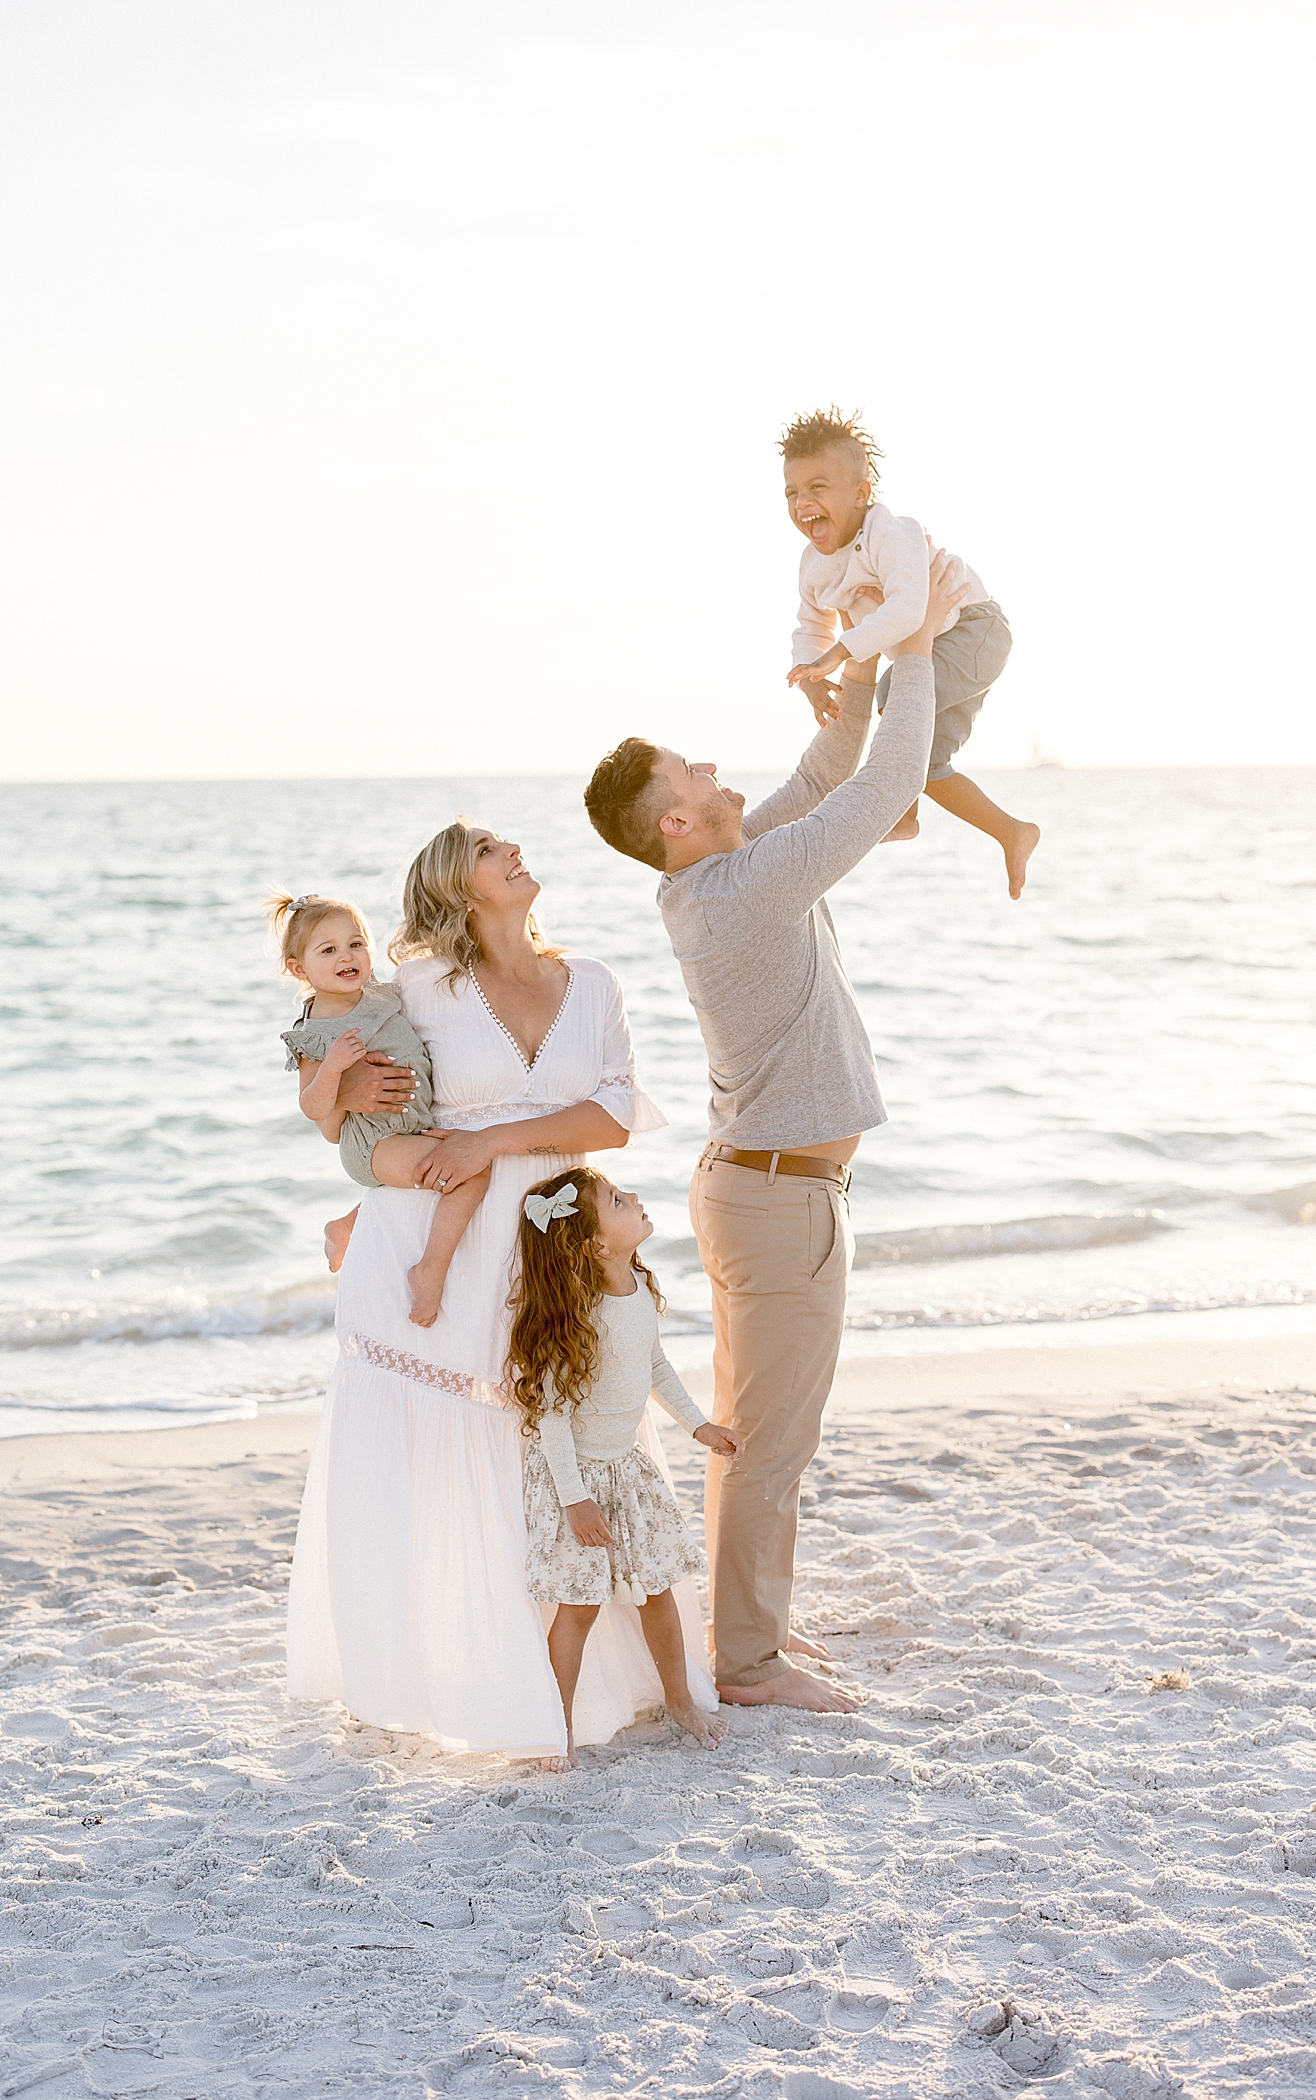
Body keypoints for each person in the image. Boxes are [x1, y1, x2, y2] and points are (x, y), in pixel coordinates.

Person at [583, 553, 967, 1713]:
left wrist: (853, 662)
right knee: (772, 1445)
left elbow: (825, 765)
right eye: (688, 769)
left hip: (766, 1189)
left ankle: (749, 1640)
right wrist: (914, 643)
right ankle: (748, 1664)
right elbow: (885, 776)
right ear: (679, 821)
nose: (711, 763)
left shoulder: (721, 873)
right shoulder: (742, 886)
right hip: (778, 1197)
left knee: (755, 1438)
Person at [285, 819, 708, 1760]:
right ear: (456, 885)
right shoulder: (422, 987)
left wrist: (492, 1141)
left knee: (579, 1422)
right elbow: (346, 1083)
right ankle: (448, 1673)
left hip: (558, 1240)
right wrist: (361, 1198)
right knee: (446, 1445)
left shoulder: (591, 982)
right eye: (486, 845)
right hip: (443, 1237)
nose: (512, 846)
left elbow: (613, 1117)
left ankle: (593, 1681)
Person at [506, 1167, 742, 1762]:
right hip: (577, 1477)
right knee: (580, 1607)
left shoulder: (636, 1285)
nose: (633, 1197)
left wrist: (698, 1425)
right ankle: (554, 1726)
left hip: (627, 1471)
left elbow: (655, 1365)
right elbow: (552, 1418)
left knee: (657, 1589)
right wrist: (574, 1498)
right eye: (617, 1199)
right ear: (594, 1244)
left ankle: (680, 1701)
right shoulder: (574, 1315)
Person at [780, 405, 1040, 896]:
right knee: (927, 765)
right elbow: (810, 624)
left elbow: (907, 610)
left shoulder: (890, 532)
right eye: (792, 492)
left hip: (974, 629)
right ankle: (1012, 832)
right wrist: (811, 678)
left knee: (893, 695)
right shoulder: (813, 564)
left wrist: (838, 653)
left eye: (818, 487)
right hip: (934, 651)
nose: (802, 502)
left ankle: (903, 811)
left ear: (861, 494)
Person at [270, 891, 488, 1327]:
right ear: (299, 969)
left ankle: (347, 1226)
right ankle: (429, 1273)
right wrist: (332, 1068)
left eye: (356, 943)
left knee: (460, 1166)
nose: (346, 956)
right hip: (374, 1141)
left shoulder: (383, 995)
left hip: (409, 1127)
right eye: (328, 950)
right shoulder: (315, 1032)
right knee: (468, 1173)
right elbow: (312, 1107)